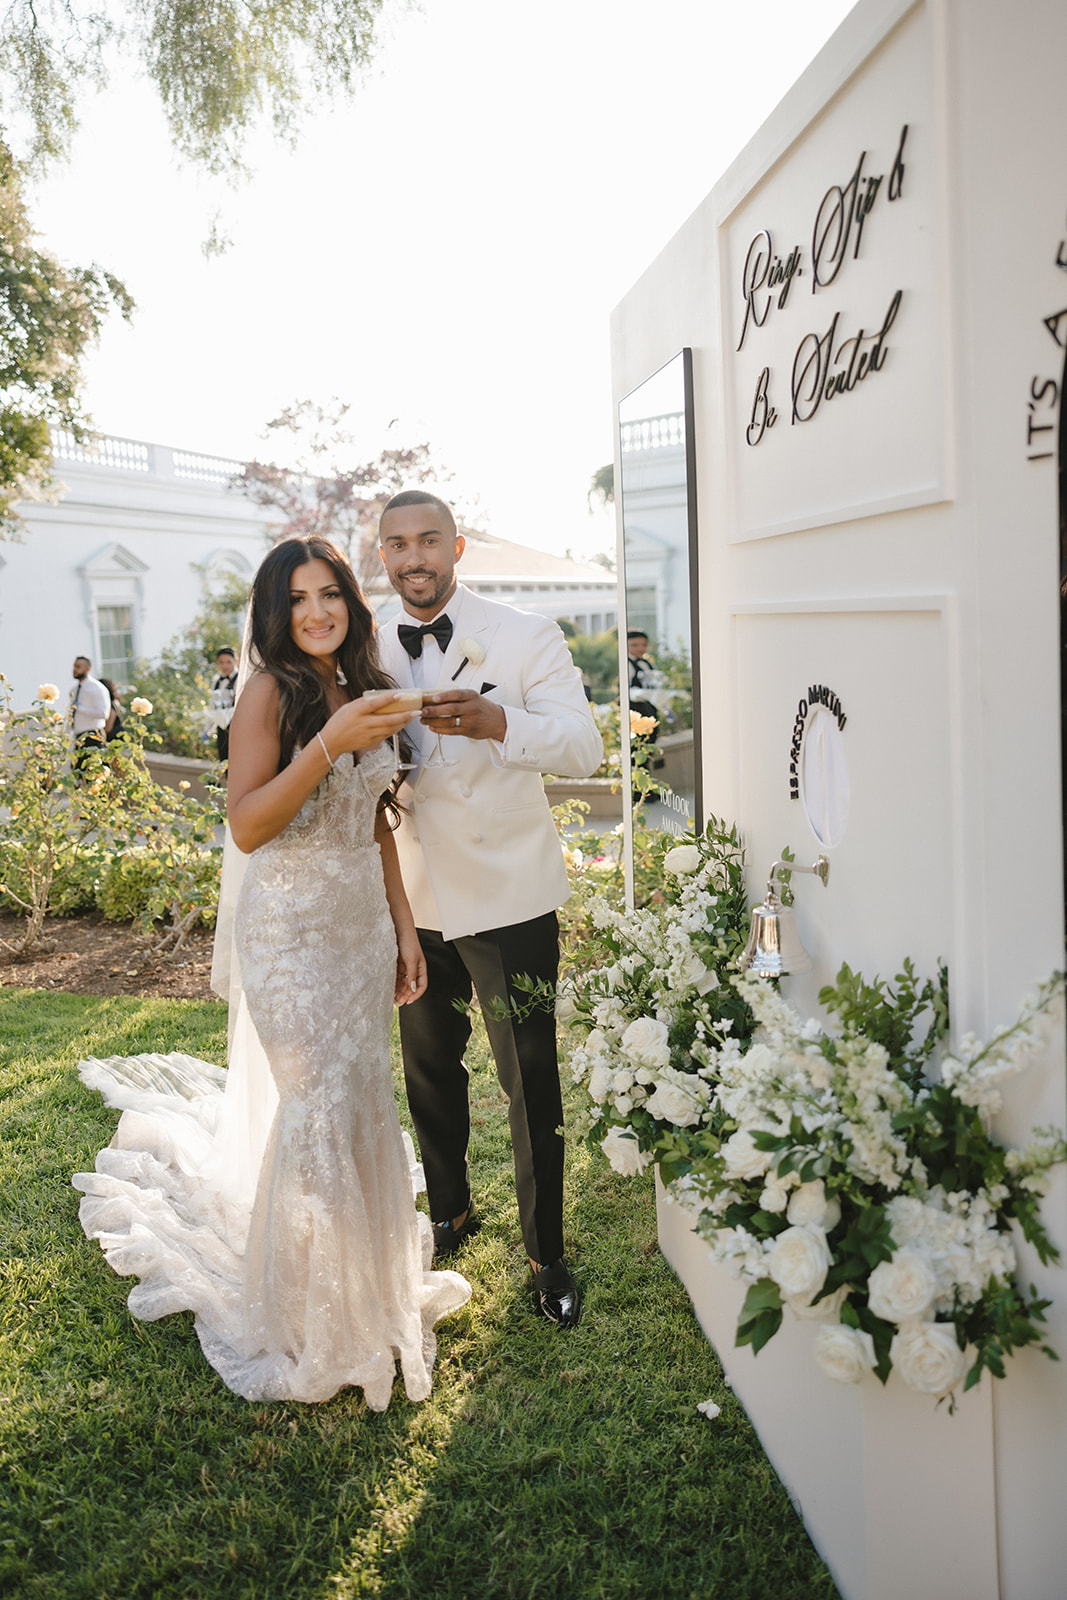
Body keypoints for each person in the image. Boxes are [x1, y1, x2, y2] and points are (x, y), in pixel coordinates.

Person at [73, 535, 470, 1406]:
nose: (318, 611)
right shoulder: (266, 693)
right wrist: (324, 745)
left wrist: (406, 931)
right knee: (316, 1110)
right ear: (273, 612)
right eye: (298, 599)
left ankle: (370, 1288)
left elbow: (375, 827)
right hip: (290, 936)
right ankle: (310, 1316)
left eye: (330, 593)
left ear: (350, 605)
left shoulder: (361, 687)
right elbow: (248, 826)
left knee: (362, 1099)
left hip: (361, 928)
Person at [376, 490, 603, 1329]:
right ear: (384, 556)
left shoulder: (523, 633)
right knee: (428, 1069)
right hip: (410, 898)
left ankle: (546, 1251)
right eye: (397, 545)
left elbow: (584, 746)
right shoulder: (361, 637)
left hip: (510, 897)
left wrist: (500, 720)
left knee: (529, 1079)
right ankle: (449, 1210)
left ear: (457, 547)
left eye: (428, 540)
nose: (413, 558)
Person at [626, 630, 664, 799]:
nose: (640, 648)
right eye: (634, 645)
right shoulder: (625, 664)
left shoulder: (647, 664)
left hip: (649, 711)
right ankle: (636, 791)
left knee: (647, 751)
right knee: (636, 752)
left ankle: (645, 790)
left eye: (643, 645)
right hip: (635, 713)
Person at [70, 655, 110, 771]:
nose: (75, 669)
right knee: (77, 773)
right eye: (74, 666)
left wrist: (80, 708)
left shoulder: (97, 688)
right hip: (79, 737)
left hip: (93, 736)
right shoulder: (75, 689)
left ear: (88, 669)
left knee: (93, 772)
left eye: (78, 667)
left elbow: (103, 713)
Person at [208, 646, 239, 761]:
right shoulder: (217, 681)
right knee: (223, 760)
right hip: (222, 727)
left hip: (236, 727)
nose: (224, 666)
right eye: (221, 662)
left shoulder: (239, 679)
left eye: (228, 662)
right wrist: (208, 730)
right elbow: (212, 705)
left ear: (236, 661)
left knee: (235, 760)